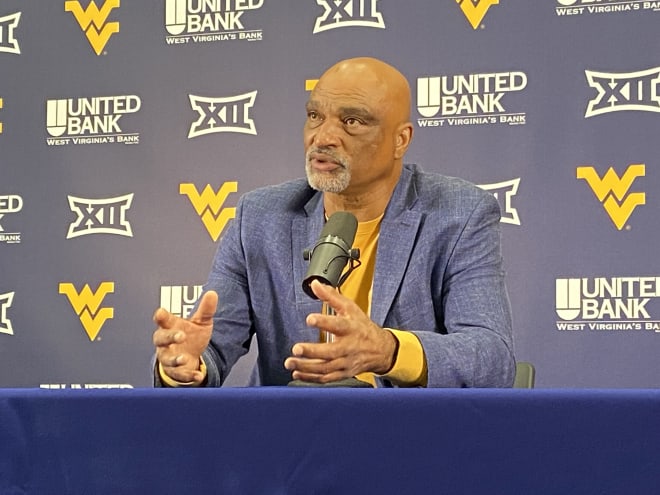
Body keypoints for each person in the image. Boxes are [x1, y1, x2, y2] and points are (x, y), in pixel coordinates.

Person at [152, 56, 515, 388]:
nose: (323, 137)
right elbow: (210, 348)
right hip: (293, 444)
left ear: (400, 140)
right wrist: (184, 366)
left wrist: (388, 351)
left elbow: (491, 357)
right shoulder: (260, 218)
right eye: (314, 116)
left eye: (351, 121)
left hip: (407, 442)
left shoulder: (458, 214)